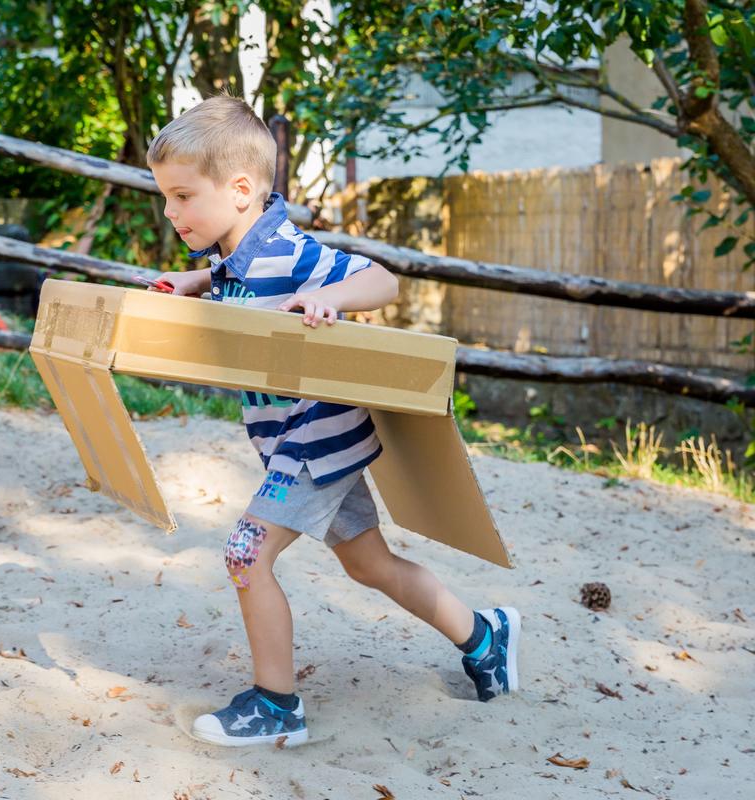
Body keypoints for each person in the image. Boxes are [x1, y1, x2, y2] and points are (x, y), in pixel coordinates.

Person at [146, 94, 520, 747]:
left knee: (245, 555)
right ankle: (486, 637)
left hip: (316, 440)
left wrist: (328, 295)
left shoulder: (290, 250)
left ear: (240, 191)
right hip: (294, 441)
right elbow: (234, 280)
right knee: (369, 564)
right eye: (167, 198)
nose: (172, 211)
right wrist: (191, 283)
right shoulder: (235, 253)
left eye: (182, 197)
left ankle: (276, 707)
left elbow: (381, 280)